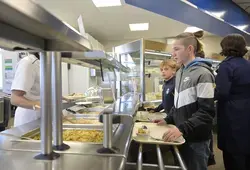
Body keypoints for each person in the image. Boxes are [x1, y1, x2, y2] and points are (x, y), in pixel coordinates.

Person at [156, 31, 215, 170]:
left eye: (177, 49)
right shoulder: (181, 72)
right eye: (172, 50)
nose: (173, 54)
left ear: (189, 49)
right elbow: (178, 103)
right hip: (182, 134)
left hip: (196, 138)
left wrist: (182, 128)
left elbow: (207, 112)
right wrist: (169, 119)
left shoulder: (203, 74)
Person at [215, 34, 250, 170]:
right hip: (247, 110)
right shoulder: (247, 64)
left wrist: (206, 96)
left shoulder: (226, 66)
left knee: (232, 152)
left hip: (232, 113)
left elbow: (222, 92)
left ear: (225, 47)